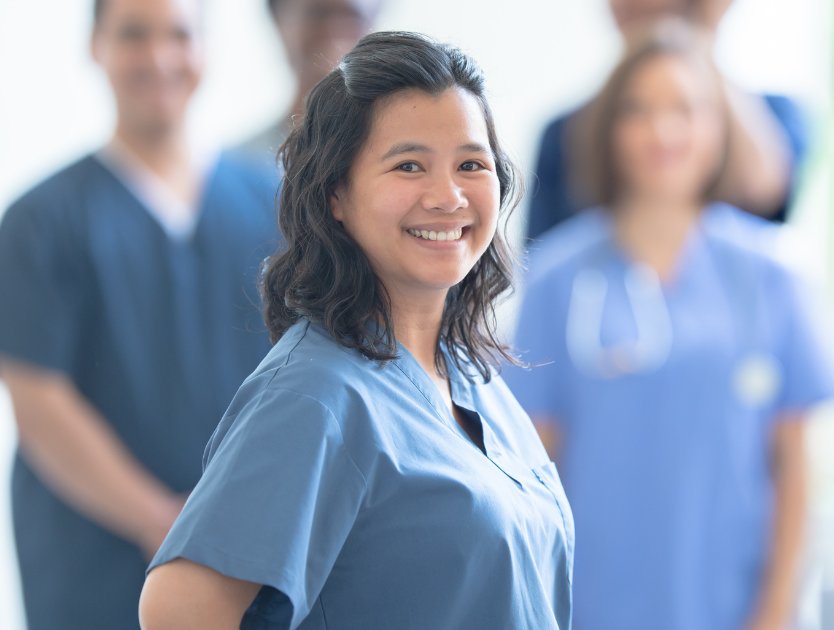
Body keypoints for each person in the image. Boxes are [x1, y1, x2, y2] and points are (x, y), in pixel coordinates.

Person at [139, 31, 574, 629]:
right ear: (336, 193)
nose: (448, 196)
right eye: (409, 165)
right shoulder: (315, 397)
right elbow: (178, 613)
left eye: (471, 164)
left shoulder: (473, 382)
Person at [506, 21, 834, 630]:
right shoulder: (555, 280)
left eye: (685, 109)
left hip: (732, 605)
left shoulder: (771, 276)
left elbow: (795, 473)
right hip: (589, 605)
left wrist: (774, 613)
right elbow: (529, 476)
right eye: (638, 110)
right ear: (609, 130)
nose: (663, 131)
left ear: (720, 127)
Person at [0, 0, 279, 627]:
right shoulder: (40, 221)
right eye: (133, 35)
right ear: (96, 46)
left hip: (249, 552)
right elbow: (40, 404)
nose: (158, 57)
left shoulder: (273, 204)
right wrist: (164, 521)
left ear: (205, 50)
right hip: (94, 560)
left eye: (179, 35)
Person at [525, 0, 809, 241]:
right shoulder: (563, 134)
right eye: (634, 110)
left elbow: (765, 191)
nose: (662, 133)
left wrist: (700, 35)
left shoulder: (777, 113)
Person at [236, 0, 384, 167]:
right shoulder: (234, 169)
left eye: (352, 17)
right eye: (318, 14)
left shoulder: (398, 153)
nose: (334, 31)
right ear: (278, 19)